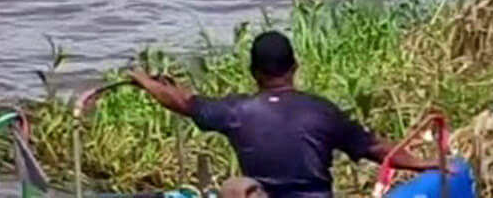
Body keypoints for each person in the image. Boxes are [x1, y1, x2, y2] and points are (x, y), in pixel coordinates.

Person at [129, 31, 440, 198]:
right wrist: (423, 163)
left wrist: (145, 82)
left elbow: (182, 101)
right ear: (294, 68)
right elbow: (375, 147)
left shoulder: (237, 111)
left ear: (253, 73)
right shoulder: (321, 111)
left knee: (233, 189)